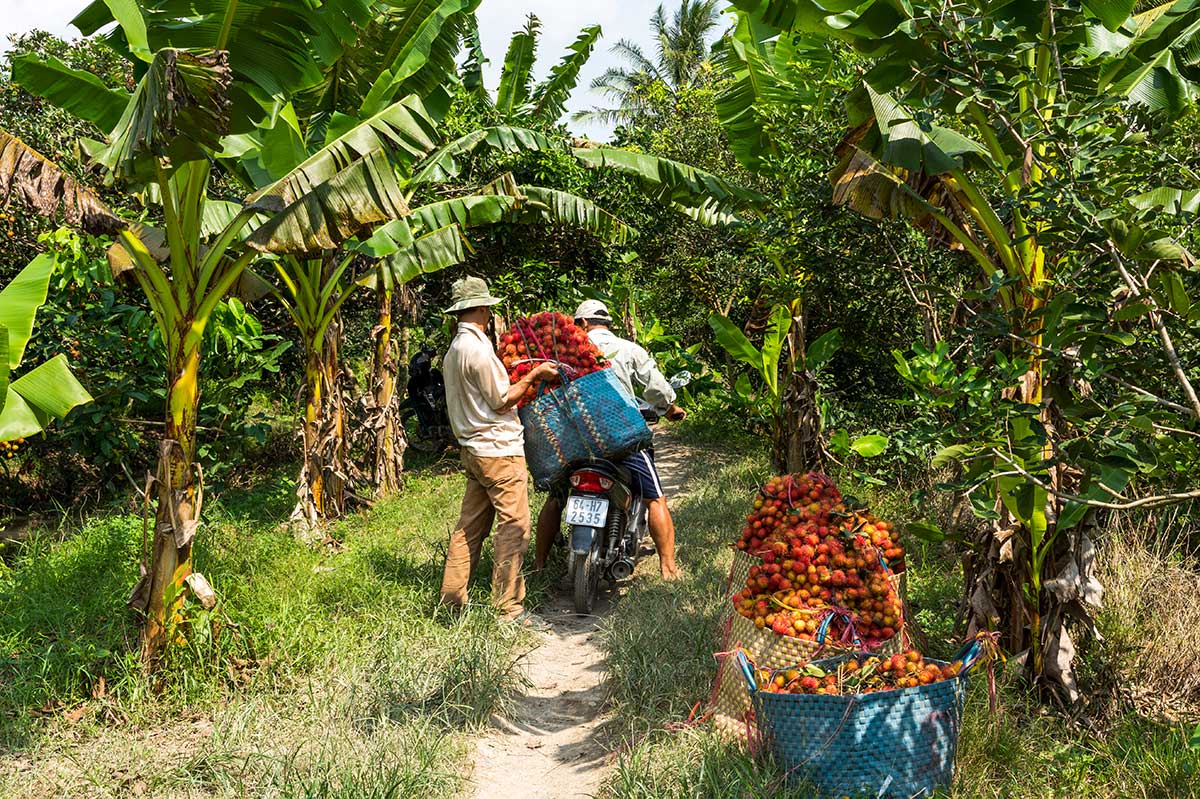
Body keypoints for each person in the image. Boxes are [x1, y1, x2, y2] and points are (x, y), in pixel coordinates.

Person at [533, 299, 685, 580]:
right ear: (607, 324)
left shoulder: (564, 353)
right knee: (655, 499)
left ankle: (538, 565)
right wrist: (670, 409)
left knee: (556, 498)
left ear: (582, 323)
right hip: (621, 437)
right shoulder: (629, 349)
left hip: (576, 441)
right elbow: (656, 388)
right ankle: (668, 568)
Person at [438, 276, 559, 627]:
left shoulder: (454, 350)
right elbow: (502, 399)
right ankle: (509, 609)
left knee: (469, 529)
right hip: (498, 451)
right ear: (480, 309)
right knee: (514, 526)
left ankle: (451, 601)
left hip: (473, 450)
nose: (490, 314)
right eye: (487, 308)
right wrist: (535, 375)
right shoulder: (477, 350)